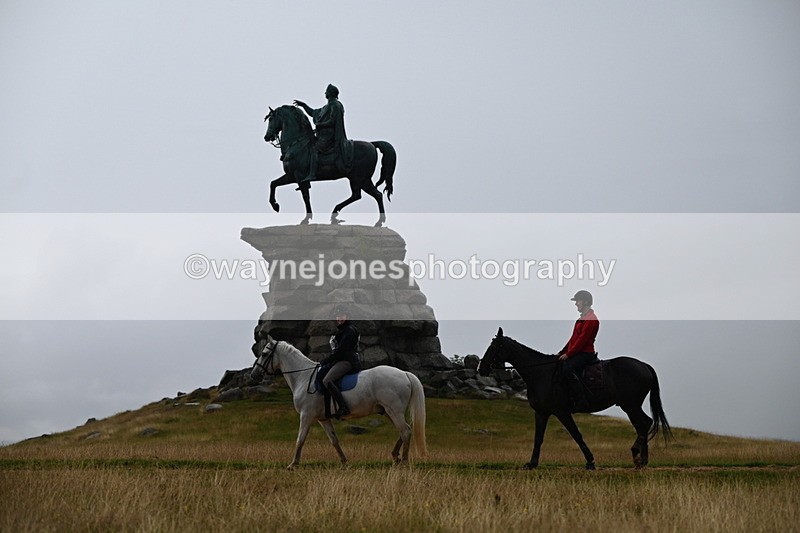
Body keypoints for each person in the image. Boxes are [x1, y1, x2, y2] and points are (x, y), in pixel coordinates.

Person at [293, 84, 352, 183]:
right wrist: (304, 105)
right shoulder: (327, 106)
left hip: (330, 136)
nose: (325, 93)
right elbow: (313, 113)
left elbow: (332, 121)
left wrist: (320, 125)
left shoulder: (336, 105)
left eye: (326, 91)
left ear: (331, 93)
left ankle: (312, 174)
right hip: (323, 136)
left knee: (314, 149)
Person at [557, 290, 599, 411]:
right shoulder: (581, 319)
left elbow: (582, 340)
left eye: (578, 301)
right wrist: (562, 352)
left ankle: (581, 400)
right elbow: (573, 339)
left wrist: (568, 354)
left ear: (585, 302)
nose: (576, 304)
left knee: (567, 369)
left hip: (585, 353)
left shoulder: (591, 319)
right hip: (578, 352)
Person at [320, 305, 361, 418]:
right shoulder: (343, 330)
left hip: (347, 361)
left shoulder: (349, 330)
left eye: (342, 315)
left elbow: (341, 351)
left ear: (347, 316)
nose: (339, 318)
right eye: (338, 316)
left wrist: (326, 361)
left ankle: (344, 407)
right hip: (342, 359)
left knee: (327, 380)